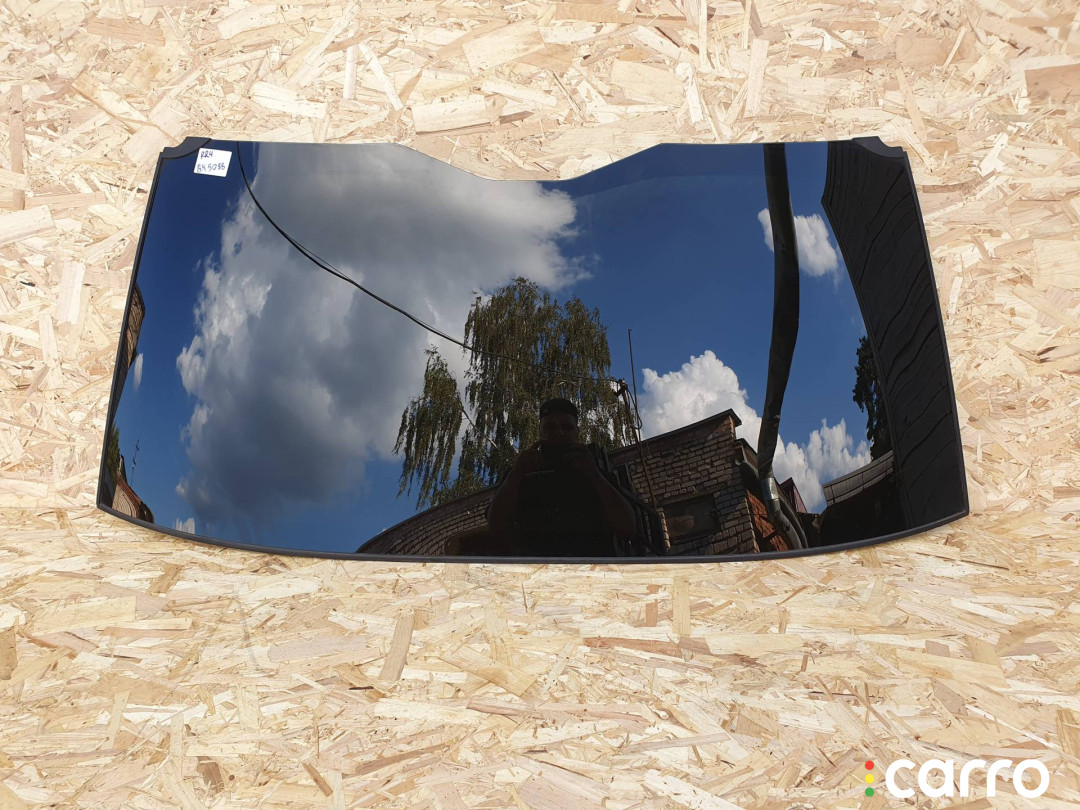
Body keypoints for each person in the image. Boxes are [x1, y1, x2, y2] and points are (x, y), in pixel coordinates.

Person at [486, 397, 640, 557]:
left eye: (567, 427)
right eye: (550, 427)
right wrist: (517, 473)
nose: (559, 433)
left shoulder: (595, 472)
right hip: (534, 567)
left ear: (577, 432)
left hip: (592, 567)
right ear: (540, 431)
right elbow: (495, 527)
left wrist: (594, 474)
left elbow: (628, 529)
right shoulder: (521, 473)